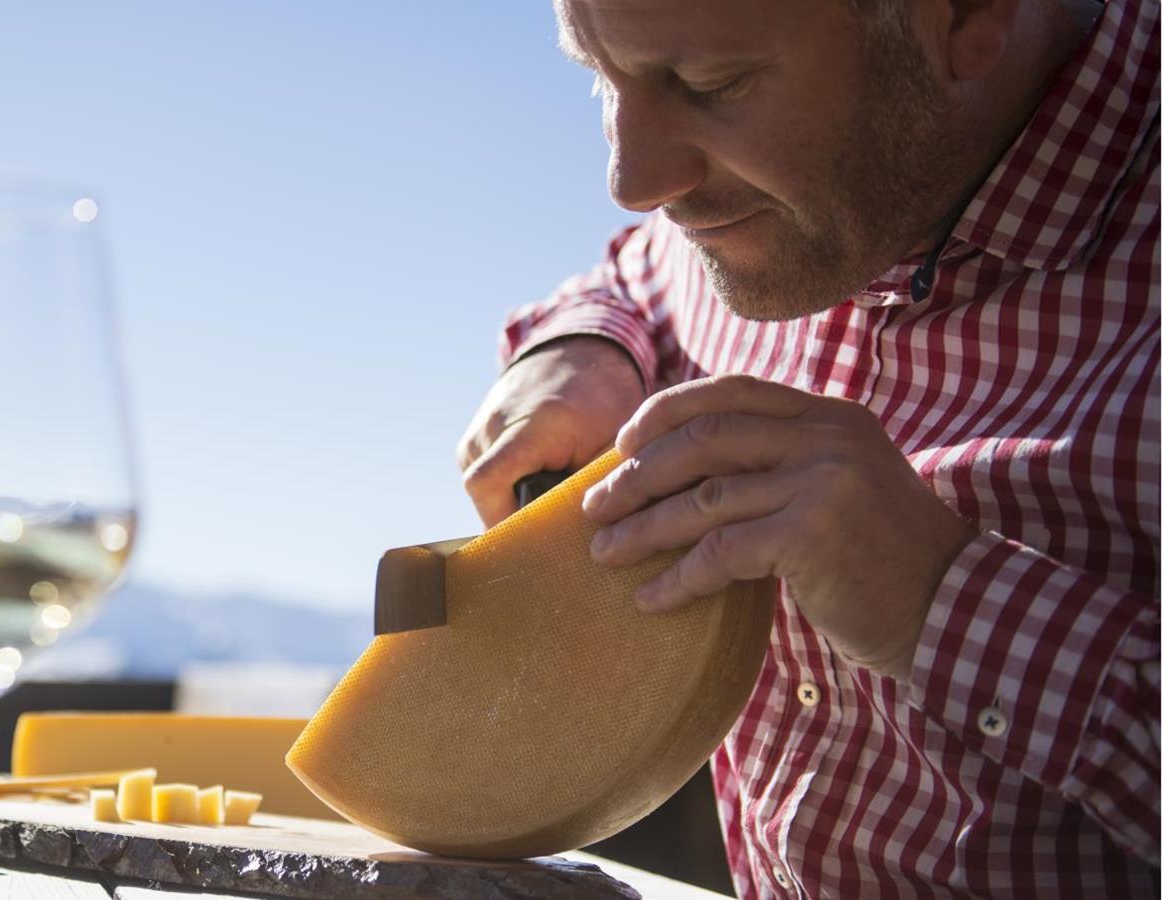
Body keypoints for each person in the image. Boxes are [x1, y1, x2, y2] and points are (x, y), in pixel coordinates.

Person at [456, 0, 1158, 894]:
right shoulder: (751, 203)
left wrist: (943, 602)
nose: (634, 179)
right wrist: (586, 344)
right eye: (601, 76)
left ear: (970, 17)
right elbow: (636, 269)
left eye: (712, 83)